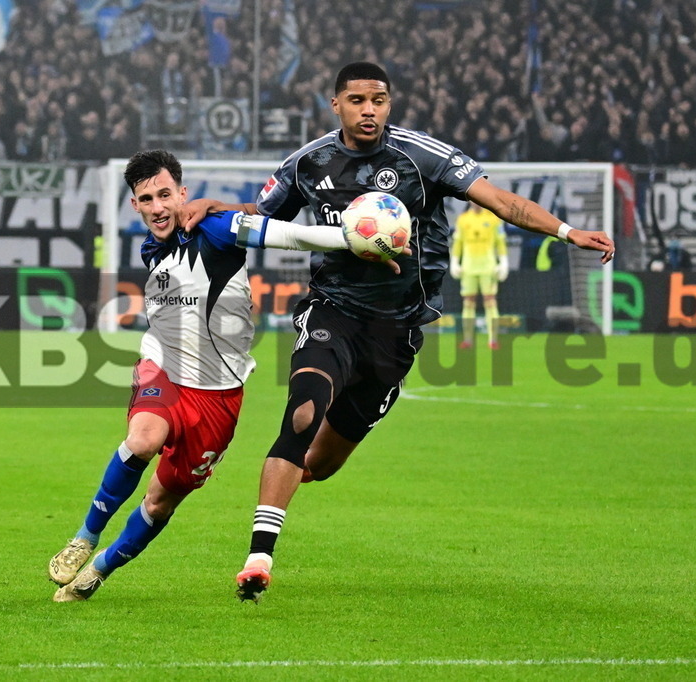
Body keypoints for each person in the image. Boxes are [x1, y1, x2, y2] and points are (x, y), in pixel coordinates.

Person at [179, 61, 615, 603]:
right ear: (335, 104)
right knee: (302, 412)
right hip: (332, 310)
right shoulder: (309, 162)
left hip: (397, 330)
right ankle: (259, 558)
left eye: (379, 100)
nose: (370, 110)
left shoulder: (422, 156)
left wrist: (568, 232)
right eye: (358, 100)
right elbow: (263, 212)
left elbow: (503, 202)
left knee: (321, 464)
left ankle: (286, 477)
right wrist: (217, 207)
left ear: (389, 103)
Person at [49, 149, 369, 602]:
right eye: (146, 199)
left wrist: (352, 239)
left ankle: (99, 570)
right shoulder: (152, 245)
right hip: (163, 368)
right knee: (143, 439)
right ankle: (85, 537)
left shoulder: (216, 229)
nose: (158, 207)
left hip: (219, 398)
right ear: (134, 206)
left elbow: (290, 236)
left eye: (165, 194)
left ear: (182, 193)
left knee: (161, 501)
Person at [450, 202, 508, 350]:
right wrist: (455, 262)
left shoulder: (494, 219)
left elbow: (500, 242)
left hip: (488, 267)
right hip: (469, 267)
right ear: (469, 200)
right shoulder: (463, 219)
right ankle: (468, 339)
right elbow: (458, 242)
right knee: (468, 302)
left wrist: (503, 262)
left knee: (490, 301)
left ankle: (493, 340)